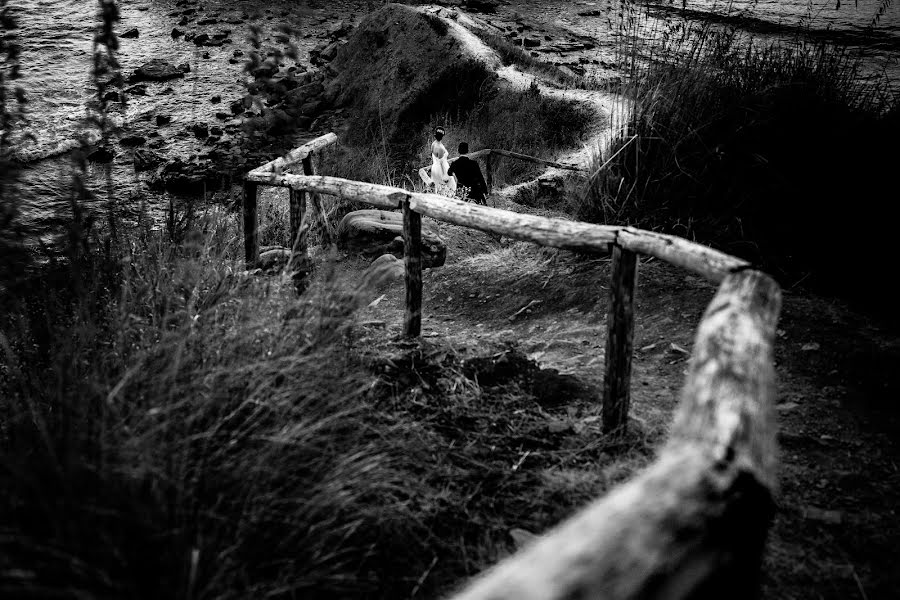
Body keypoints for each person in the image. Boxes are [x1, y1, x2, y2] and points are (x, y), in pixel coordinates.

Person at [418, 126, 457, 196]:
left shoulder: (433, 144)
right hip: (441, 168)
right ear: (442, 136)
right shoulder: (440, 148)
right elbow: (441, 162)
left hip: (435, 167)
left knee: (438, 188)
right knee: (451, 187)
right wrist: (446, 175)